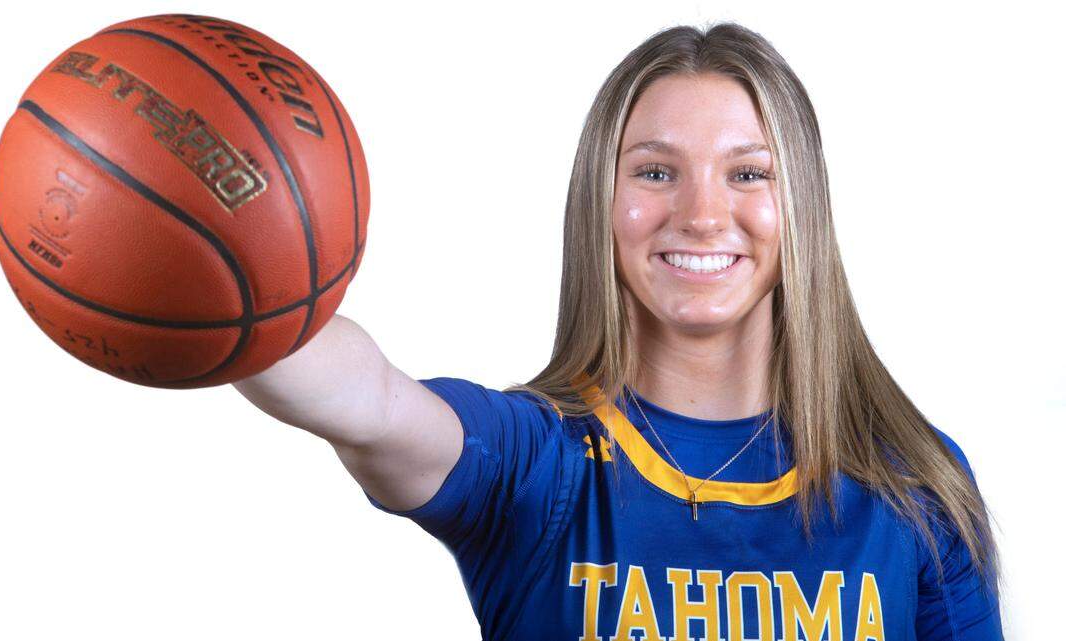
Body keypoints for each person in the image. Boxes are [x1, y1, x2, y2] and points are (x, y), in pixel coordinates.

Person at [232, 22, 1004, 640]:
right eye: (656, 172)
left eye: (749, 173)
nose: (703, 214)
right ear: (600, 202)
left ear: (802, 205)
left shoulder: (910, 482)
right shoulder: (539, 464)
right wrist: (216, 268)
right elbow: (366, 401)